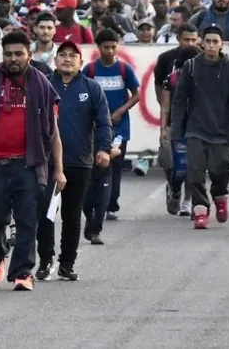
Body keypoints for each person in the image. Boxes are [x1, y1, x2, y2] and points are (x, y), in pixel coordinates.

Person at [0, 30, 64, 291]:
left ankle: (22, 273)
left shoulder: (41, 85)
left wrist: (59, 170)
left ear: (29, 54)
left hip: (30, 164)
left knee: (28, 220)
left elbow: (53, 131)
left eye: (19, 54)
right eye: (8, 54)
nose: (13, 58)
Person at [46, 41, 111, 280]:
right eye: (62, 55)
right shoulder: (45, 85)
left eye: (72, 56)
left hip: (80, 161)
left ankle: (67, 264)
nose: (67, 59)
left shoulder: (91, 88)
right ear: (55, 60)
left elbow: (103, 122)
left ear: (80, 62)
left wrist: (103, 149)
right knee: (45, 214)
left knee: (72, 216)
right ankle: (45, 260)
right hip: (48, 163)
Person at [169, 25, 229, 230]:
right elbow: (179, 99)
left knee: (220, 171)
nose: (210, 45)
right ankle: (200, 210)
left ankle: (220, 198)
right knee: (195, 172)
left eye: (215, 42)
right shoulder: (191, 66)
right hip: (195, 129)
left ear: (221, 44)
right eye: (207, 41)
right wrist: (176, 129)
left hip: (221, 131)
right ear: (201, 43)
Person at [83, 29, 140, 222]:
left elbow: (137, 94)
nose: (110, 51)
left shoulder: (124, 69)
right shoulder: (90, 70)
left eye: (113, 47)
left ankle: (111, 205)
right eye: (106, 47)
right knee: (94, 166)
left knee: (114, 166)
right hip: (95, 128)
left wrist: (120, 112)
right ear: (98, 48)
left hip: (119, 129)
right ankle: (93, 204)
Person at [154, 23, 199, 216]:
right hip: (174, 120)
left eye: (193, 39)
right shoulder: (166, 60)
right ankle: (174, 188)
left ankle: (188, 199)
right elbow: (162, 97)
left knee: (192, 163)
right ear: (178, 38)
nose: (190, 43)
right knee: (170, 162)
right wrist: (163, 127)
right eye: (186, 39)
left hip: (196, 123)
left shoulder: (202, 59)